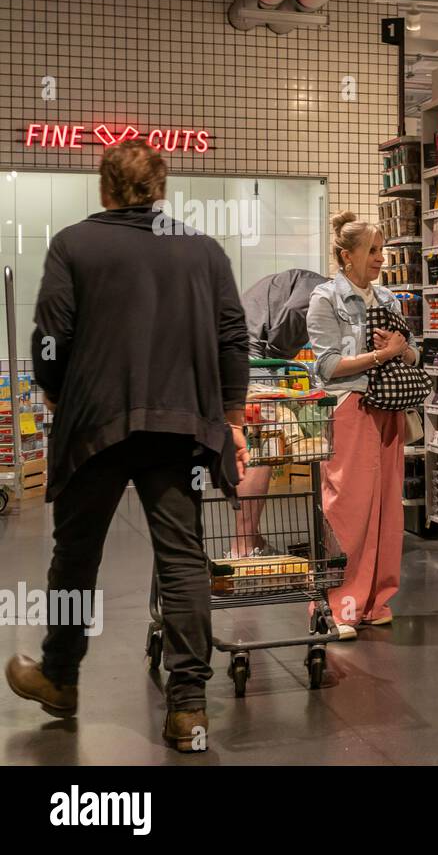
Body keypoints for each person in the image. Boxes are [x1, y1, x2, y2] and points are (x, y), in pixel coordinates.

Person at [6, 139, 250, 753]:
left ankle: (60, 677)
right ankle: (189, 708)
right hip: (182, 428)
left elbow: (50, 337)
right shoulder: (203, 251)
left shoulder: (74, 245)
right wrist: (232, 416)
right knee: (183, 557)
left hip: (96, 427)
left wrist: (59, 396)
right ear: (161, 188)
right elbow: (232, 337)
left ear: (104, 187)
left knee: (76, 554)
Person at [306, 212, 417, 641]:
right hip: (350, 407)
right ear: (345, 256)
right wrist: (381, 357)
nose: (379, 257)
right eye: (371, 250)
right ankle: (338, 605)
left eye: (380, 249)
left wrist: (402, 349)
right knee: (348, 506)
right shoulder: (325, 299)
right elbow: (329, 366)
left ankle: (376, 600)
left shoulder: (388, 299)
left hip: (390, 407)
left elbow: (414, 358)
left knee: (388, 507)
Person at [230, 268, 328, 558]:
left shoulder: (301, 281)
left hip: (236, 355)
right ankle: (243, 546)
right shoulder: (321, 289)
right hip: (253, 359)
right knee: (263, 450)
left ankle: (250, 538)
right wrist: (280, 354)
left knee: (250, 448)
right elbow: (294, 312)